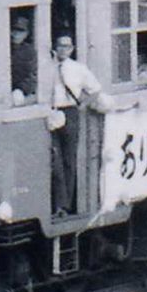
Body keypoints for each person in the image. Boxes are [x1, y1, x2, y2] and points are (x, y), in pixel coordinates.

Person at [47, 33, 106, 214]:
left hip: (70, 111)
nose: (63, 49)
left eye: (67, 46)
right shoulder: (47, 67)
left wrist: (83, 106)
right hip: (51, 112)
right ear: (54, 47)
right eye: (60, 45)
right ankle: (58, 203)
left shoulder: (78, 68)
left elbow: (95, 89)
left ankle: (65, 205)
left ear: (72, 49)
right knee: (54, 159)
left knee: (68, 159)